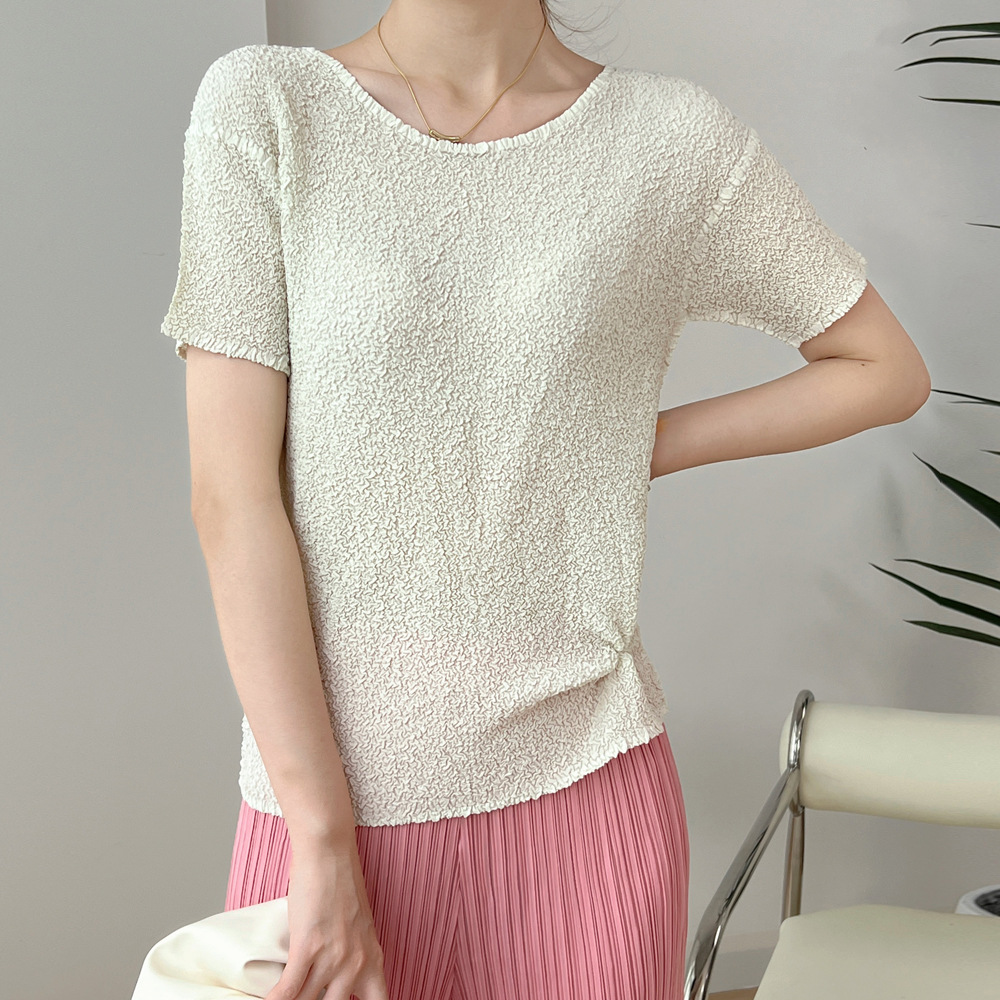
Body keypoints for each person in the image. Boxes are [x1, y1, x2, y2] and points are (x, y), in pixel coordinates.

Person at [159, 2, 931, 998]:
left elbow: (882, 367)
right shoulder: (268, 106)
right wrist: (323, 838)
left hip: (587, 794)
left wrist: (625, 448)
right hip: (322, 826)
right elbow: (231, 501)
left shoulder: (669, 140)